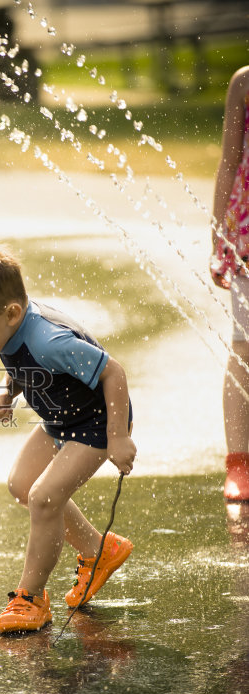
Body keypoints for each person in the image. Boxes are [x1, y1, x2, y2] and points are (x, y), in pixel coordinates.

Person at [0, 244, 136, 634]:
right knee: (23, 485)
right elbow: (25, 359)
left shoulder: (50, 340)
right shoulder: (9, 326)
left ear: (11, 313)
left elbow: (114, 373)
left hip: (97, 423)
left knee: (44, 498)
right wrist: (10, 392)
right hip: (60, 419)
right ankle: (100, 551)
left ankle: (31, 598)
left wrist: (118, 437)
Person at [211, 66, 249, 502]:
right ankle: (238, 463)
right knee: (242, 346)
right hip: (245, 234)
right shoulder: (243, 82)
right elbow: (228, 160)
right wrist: (217, 236)